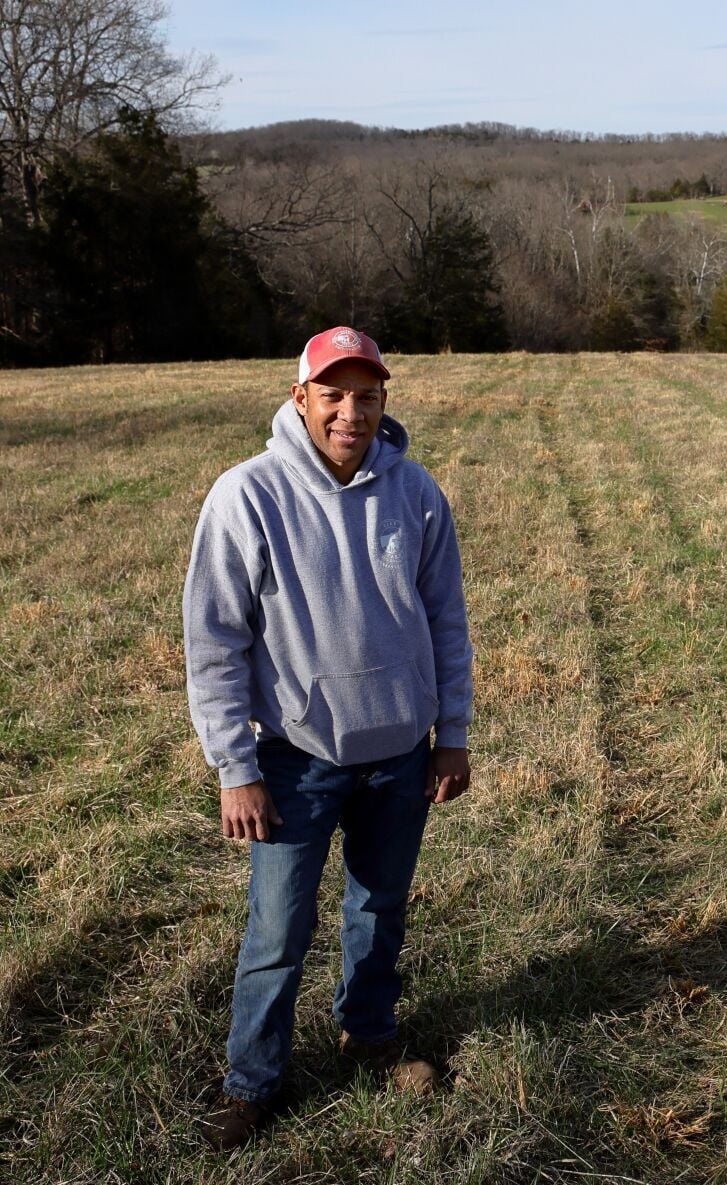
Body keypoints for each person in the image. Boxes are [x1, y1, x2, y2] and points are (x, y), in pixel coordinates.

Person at [183, 326, 473, 1151]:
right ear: (299, 397)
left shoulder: (415, 493)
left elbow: (446, 620)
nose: (352, 412)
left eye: (368, 395)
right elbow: (213, 641)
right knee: (278, 929)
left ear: (385, 401)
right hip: (292, 758)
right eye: (334, 394)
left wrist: (449, 732)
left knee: (379, 908)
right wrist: (234, 766)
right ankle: (253, 1080)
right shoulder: (246, 495)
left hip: (399, 754)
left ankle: (370, 1032)